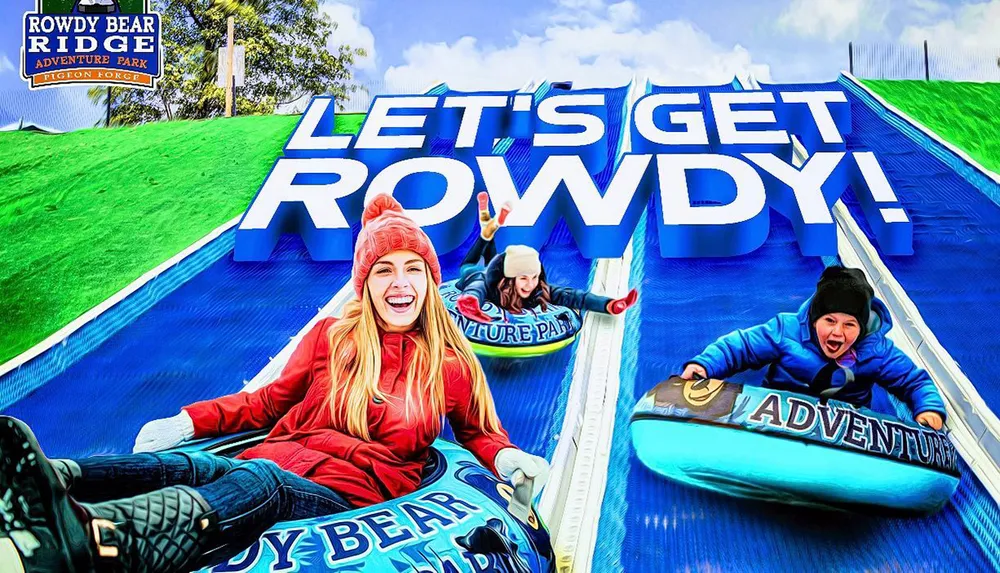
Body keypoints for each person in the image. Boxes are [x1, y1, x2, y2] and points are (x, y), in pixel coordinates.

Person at [0, 194, 550, 573]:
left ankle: (96, 544)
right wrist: (190, 420)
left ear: (430, 281)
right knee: (195, 465)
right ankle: (39, 483)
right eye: (384, 269)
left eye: (413, 269)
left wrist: (507, 461)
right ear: (365, 281)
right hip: (278, 456)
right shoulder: (332, 338)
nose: (399, 283)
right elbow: (266, 404)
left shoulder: (446, 363)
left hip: (352, 496)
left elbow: (479, 432)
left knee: (262, 482)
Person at [680, 265, 946, 430]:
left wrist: (929, 409)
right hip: (778, 412)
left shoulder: (876, 351)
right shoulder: (787, 331)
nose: (838, 332)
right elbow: (741, 347)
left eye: (849, 324)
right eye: (829, 321)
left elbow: (914, 382)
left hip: (843, 424)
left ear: (862, 328)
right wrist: (703, 366)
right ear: (815, 318)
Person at [455, 192, 639, 323]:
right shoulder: (484, 283)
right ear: (510, 280)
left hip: (499, 268)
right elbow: (475, 289)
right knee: (469, 266)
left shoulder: (537, 289)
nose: (530, 284)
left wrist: (609, 304)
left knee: (491, 253)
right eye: (524, 278)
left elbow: (574, 297)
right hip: (473, 272)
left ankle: (487, 229)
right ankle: (486, 232)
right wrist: (470, 302)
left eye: (534, 277)